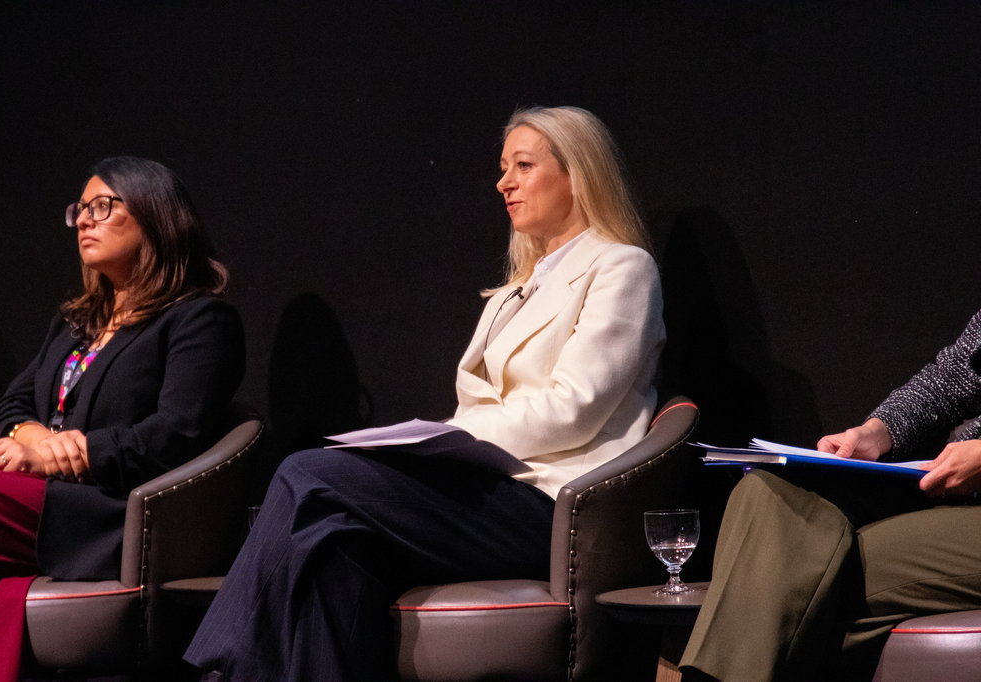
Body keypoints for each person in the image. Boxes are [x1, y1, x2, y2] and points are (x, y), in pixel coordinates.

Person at [184, 105, 666, 681]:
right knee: (335, 552)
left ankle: (220, 668)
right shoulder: (512, 293)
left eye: (523, 165)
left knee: (305, 473)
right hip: (481, 491)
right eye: (502, 167)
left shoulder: (622, 268)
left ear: (577, 176)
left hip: (552, 506)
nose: (504, 182)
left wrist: (452, 436)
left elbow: (574, 408)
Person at [0, 157, 245, 682]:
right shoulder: (76, 323)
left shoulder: (200, 320)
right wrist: (34, 437)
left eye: (103, 206)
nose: (84, 220)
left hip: (107, 515)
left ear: (156, 215)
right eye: (81, 209)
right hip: (38, 495)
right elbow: (9, 405)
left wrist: (72, 455)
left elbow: (176, 433)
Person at [680, 309, 981, 682]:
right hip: (948, 493)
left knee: (807, 573)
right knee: (771, 489)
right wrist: (878, 431)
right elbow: (949, 381)